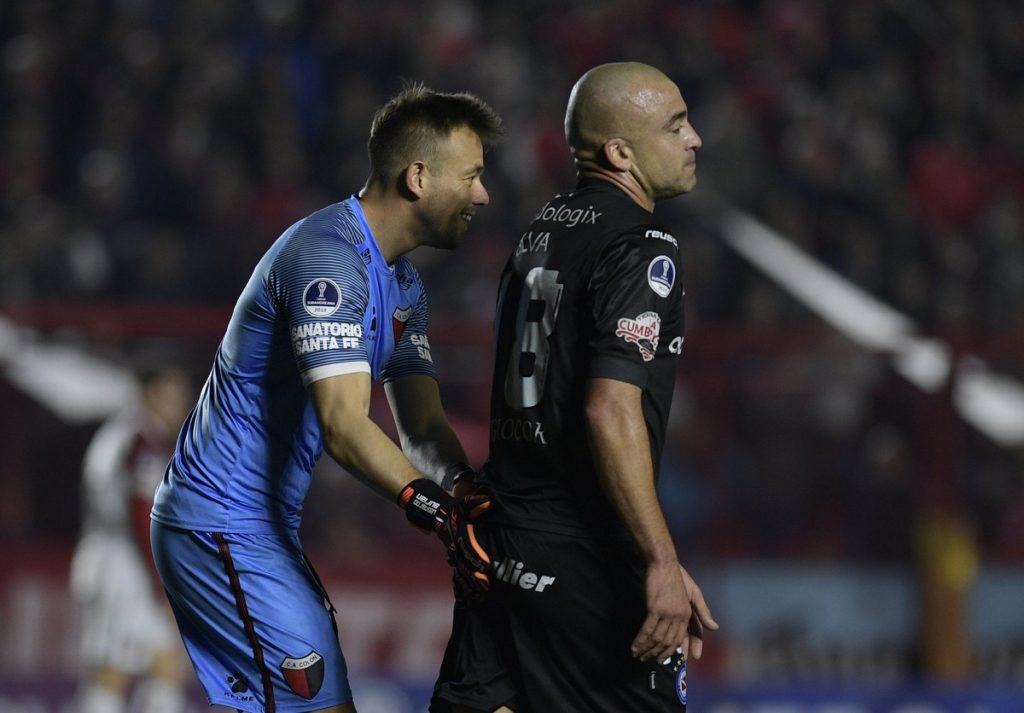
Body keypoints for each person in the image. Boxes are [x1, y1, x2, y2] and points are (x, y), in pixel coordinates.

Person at [150, 84, 502, 713]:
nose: (483, 194)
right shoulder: (327, 258)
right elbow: (343, 426)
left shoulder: (404, 287)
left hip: (261, 530)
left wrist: (466, 492)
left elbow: (420, 425)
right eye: (472, 176)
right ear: (418, 177)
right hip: (220, 523)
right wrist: (443, 516)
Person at [431, 62, 719, 713]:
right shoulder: (643, 246)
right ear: (620, 151)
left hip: (502, 536)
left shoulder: (540, 233)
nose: (695, 137)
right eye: (676, 124)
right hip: (583, 555)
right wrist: (657, 558)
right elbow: (609, 409)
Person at [70, 362, 194, 713]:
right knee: (112, 674)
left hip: (121, 561)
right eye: (171, 395)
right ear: (148, 394)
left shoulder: (124, 435)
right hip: (123, 567)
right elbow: (144, 511)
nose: (179, 404)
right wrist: (162, 576)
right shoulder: (139, 440)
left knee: (167, 665)